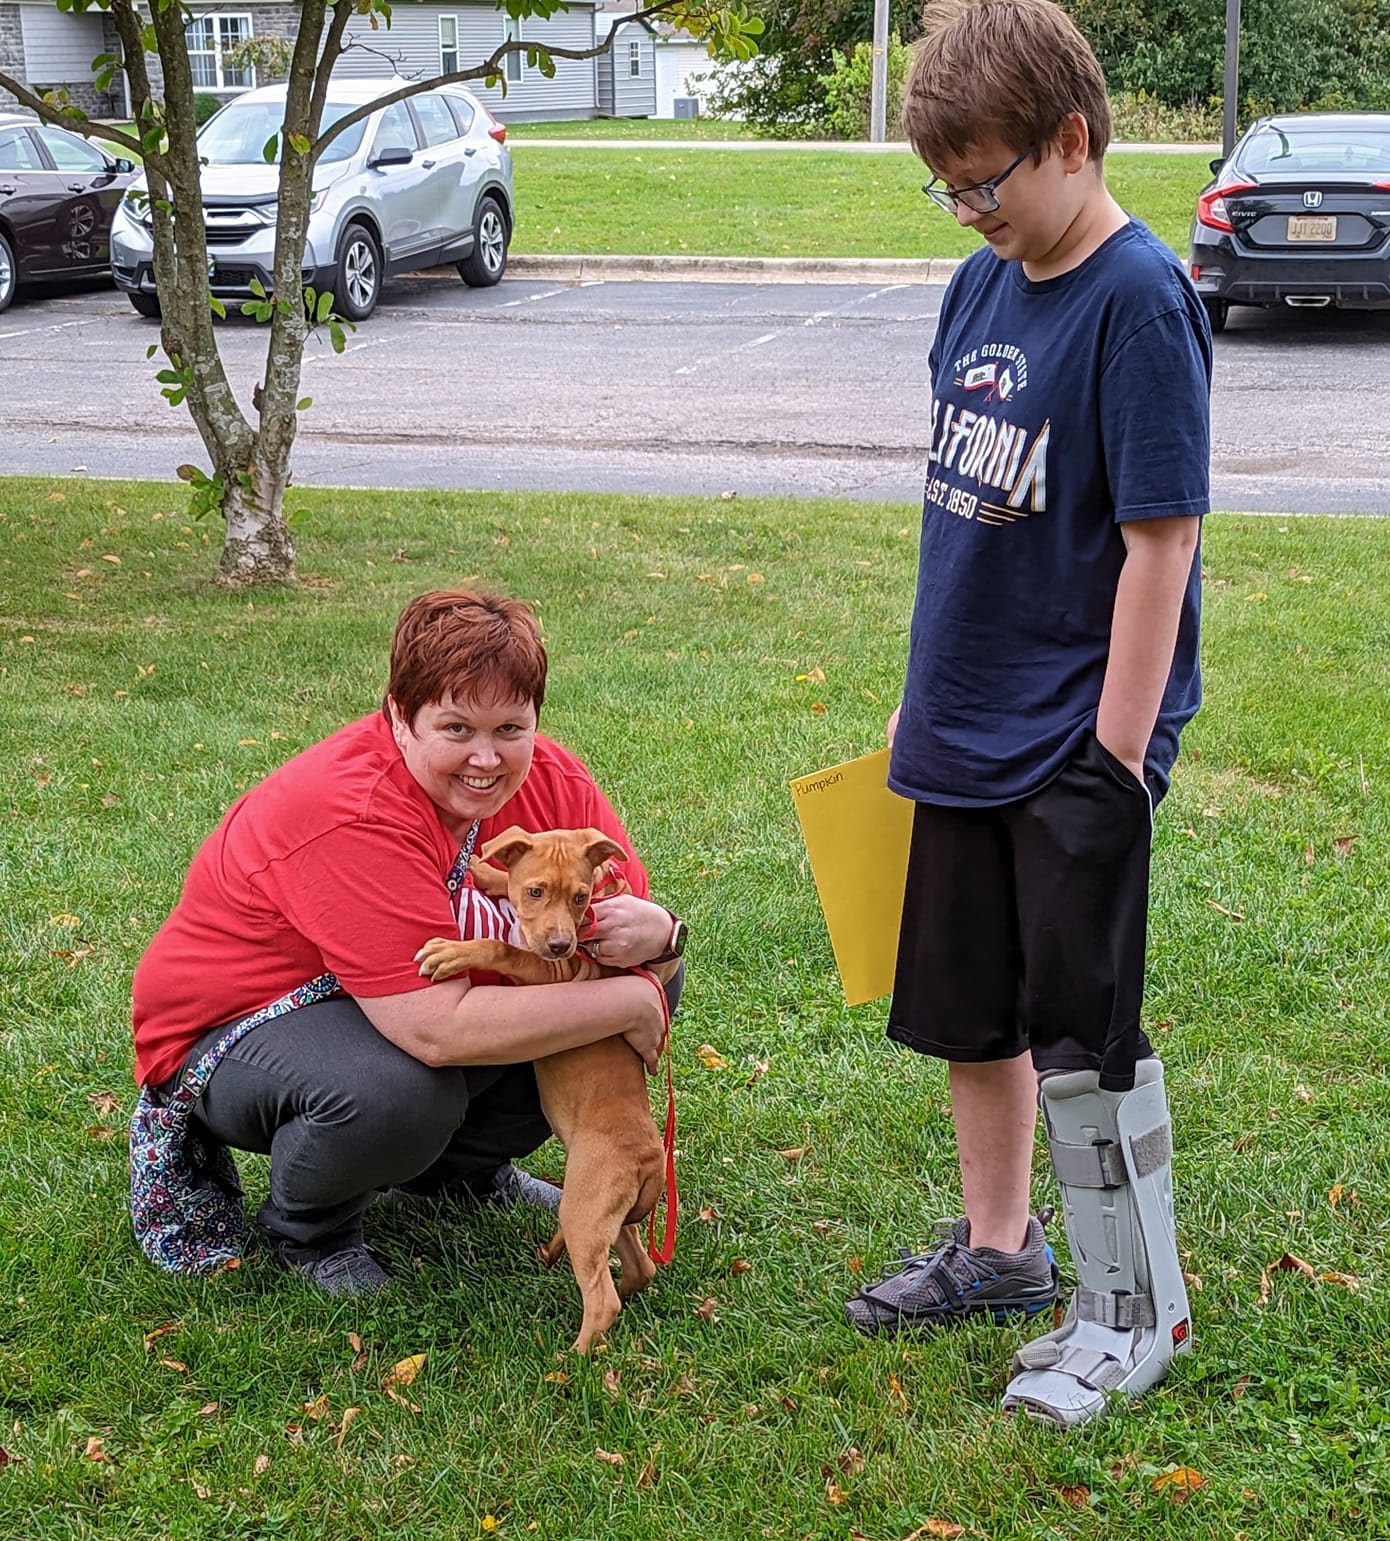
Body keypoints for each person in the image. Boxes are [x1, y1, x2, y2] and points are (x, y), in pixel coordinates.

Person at [843, 0, 1209, 1427]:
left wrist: (1112, 761)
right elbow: (967, 509)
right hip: (963, 720)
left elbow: (1159, 542)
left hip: (1073, 742)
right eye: (944, 189)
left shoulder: (1136, 299)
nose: (965, 212)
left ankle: (1132, 1310)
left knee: (1080, 1033)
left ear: (1070, 140)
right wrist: (921, 689)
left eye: (984, 182)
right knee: (968, 1011)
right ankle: (1002, 1253)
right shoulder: (979, 286)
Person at [132, 589, 686, 1297]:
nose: (486, 758)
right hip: (239, 1025)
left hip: (388, 1002)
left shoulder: (552, 782)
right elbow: (433, 1028)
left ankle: (457, 1175)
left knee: (634, 978)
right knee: (398, 1089)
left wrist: (664, 937)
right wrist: (629, 1001)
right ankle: (312, 1227)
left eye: (510, 726)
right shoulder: (352, 809)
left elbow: (614, 931)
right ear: (399, 715)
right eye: (456, 727)